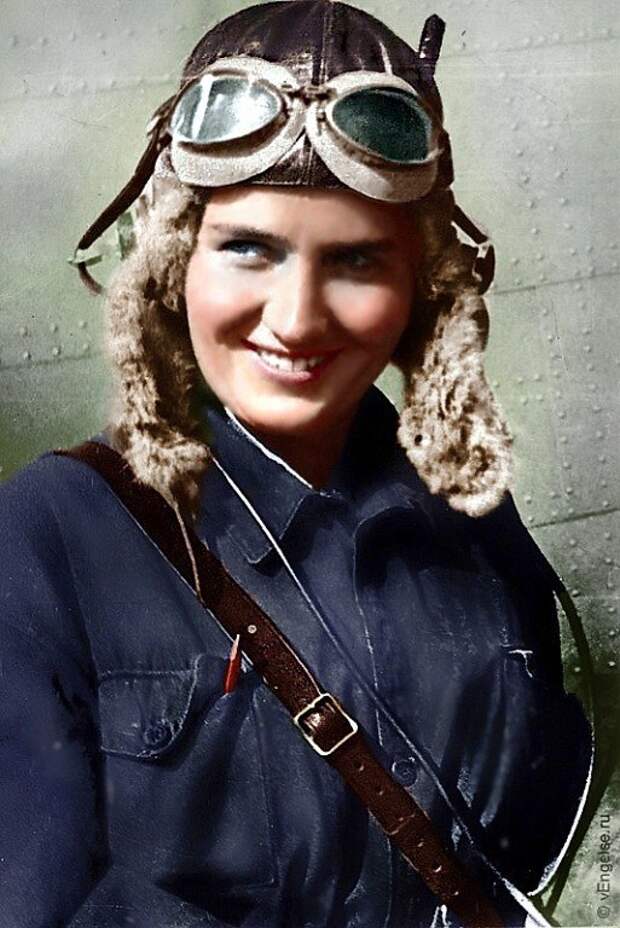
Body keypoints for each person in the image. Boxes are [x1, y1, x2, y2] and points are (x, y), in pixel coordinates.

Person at [0, 2, 593, 926]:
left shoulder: (471, 516)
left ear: (422, 287)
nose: (298, 319)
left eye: (357, 260)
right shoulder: (48, 540)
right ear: (172, 264)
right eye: (248, 249)